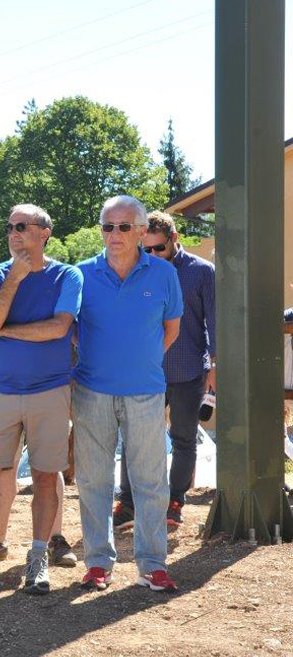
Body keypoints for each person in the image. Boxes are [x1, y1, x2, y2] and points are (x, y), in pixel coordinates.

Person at [0, 204, 81, 594]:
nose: (14, 233)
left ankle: (38, 557)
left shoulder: (68, 275)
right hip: (1, 391)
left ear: (45, 233)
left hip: (51, 390)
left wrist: (6, 330)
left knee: (45, 475)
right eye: (10, 227)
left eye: (23, 226)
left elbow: (58, 328)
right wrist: (14, 279)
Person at [73, 196, 183, 594]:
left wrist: (141, 362)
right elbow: (71, 330)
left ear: (140, 230)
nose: (114, 234)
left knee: (151, 481)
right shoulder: (81, 274)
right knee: (93, 481)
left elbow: (171, 329)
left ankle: (152, 565)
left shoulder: (164, 274)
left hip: (146, 392)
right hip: (92, 392)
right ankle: (97, 563)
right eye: (108, 226)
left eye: (123, 226)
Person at [113, 210, 215, 534]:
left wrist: (215, 367)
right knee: (135, 438)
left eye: (159, 248)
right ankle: (127, 502)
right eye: (147, 249)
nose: (153, 254)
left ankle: (174, 502)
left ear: (174, 239)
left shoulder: (202, 272)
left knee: (184, 439)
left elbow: (214, 321)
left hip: (189, 370)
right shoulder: (136, 270)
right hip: (145, 371)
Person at [0, 299, 73, 568]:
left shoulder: (56, 279)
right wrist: (36, 328)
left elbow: (59, 328)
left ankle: (54, 539)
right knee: (1, 467)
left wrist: (7, 328)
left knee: (48, 468)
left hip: (48, 383)